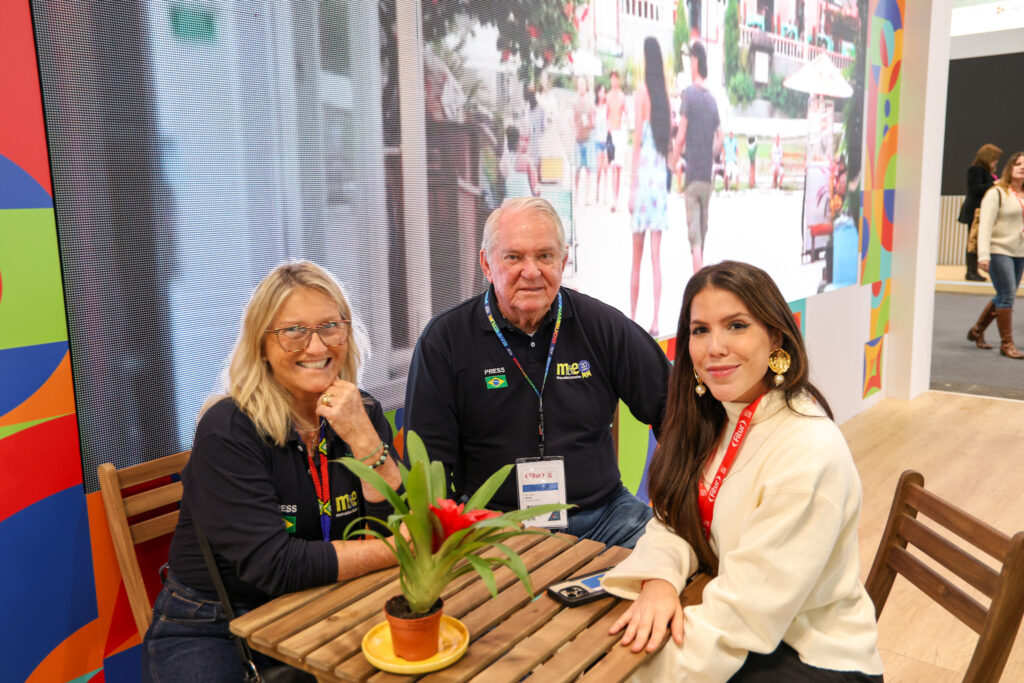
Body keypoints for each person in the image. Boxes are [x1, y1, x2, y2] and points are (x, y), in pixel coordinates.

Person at [602, 261, 884, 681]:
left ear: (776, 337)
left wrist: (624, 673)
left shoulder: (806, 450)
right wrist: (659, 580)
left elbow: (742, 617)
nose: (714, 347)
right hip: (743, 623)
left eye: (736, 325)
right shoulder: (718, 418)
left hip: (810, 655)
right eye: (700, 330)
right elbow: (675, 520)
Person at [142, 262, 404, 681]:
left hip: (327, 605)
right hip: (215, 624)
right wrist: (395, 549)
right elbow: (274, 565)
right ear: (261, 345)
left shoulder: (361, 412)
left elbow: (400, 525)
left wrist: (367, 443)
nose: (317, 347)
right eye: (293, 331)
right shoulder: (228, 429)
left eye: (330, 327)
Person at [405, 197, 670, 549]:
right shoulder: (445, 341)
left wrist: (677, 495)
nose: (531, 272)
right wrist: (474, 524)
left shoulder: (603, 326)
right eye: (513, 257)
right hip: (494, 527)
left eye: (545, 256)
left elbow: (677, 411)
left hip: (606, 516)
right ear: (486, 264)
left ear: (563, 261)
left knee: (681, 558)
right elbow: (429, 468)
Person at [629, 37, 671, 338]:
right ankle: (655, 321)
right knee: (656, 256)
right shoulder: (665, 98)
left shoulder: (641, 94)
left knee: (637, 257)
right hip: (659, 184)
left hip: (644, 180)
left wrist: (631, 187)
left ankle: (631, 319)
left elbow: (636, 144)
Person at [672, 41, 722, 274]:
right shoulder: (712, 100)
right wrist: (709, 154)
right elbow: (720, 139)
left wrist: (673, 163)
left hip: (692, 178)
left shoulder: (689, 95)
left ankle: (699, 288)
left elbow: (680, 136)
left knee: (695, 241)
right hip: (707, 178)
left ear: (695, 61)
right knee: (702, 235)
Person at [973, 151, 1024, 359]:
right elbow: (984, 226)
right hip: (998, 250)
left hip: (1019, 251)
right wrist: (983, 255)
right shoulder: (997, 193)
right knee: (1007, 295)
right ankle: (1007, 344)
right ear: (1010, 167)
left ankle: (977, 330)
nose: (1022, 168)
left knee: (1005, 293)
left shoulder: (1022, 195)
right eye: (1019, 164)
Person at [958, 143, 1001, 282]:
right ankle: (971, 271)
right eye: (995, 158)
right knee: (973, 242)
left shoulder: (988, 172)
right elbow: (975, 189)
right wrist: (994, 185)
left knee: (979, 241)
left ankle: (974, 270)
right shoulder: (975, 170)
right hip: (974, 211)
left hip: (983, 211)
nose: (997, 161)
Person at [607, 70, 628, 211]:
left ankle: (617, 198)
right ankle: (613, 200)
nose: (614, 81)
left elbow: (626, 113)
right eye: (612, 79)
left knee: (618, 168)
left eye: (616, 79)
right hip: (611, 133)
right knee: (612, 167)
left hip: (620, 133)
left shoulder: (622, 97)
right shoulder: (608, 97)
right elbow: (606, 115)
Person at [573, 76, 596, 204]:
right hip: (578, 139)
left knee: (587, 169)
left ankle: (587, 197)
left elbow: (594, 122)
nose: (581, 87)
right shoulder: (575, 103)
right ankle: (576, 195)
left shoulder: (590, 102)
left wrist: (589, 124)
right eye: (579, 85)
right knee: (577, 168)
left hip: (587, 139)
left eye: (583, 85)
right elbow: (573, 120)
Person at [502, 126, 540, 198]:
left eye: (527, 140)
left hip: (511, 203)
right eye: (522, 139)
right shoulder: (527, 160)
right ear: (517, 141)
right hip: (525, 203)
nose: (524, 144)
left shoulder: (504, 161)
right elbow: (536, 189)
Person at [593, 83, 610, 206]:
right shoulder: (595, 108)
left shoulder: (607, 107)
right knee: (599, 168)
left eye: (604, 92)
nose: (602, 94)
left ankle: (605, 196)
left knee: (606, 169)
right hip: (598, 141)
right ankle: (597, 192)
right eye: (600, 92)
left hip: (606, 140)